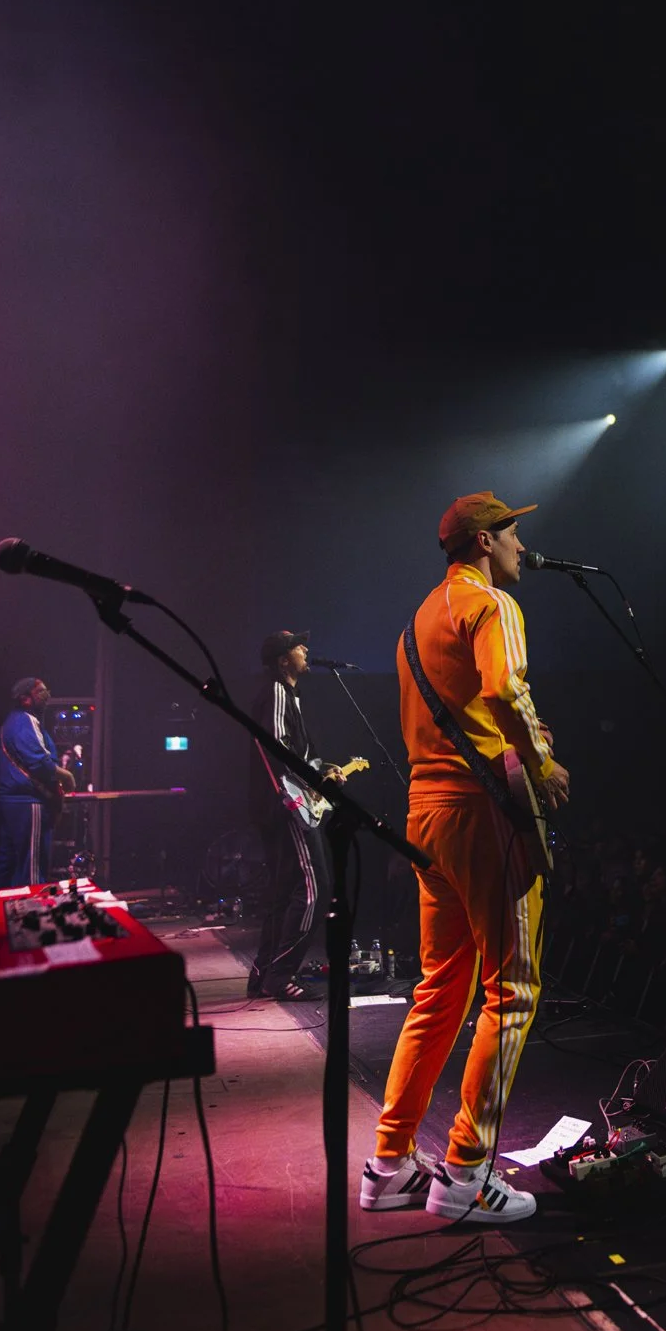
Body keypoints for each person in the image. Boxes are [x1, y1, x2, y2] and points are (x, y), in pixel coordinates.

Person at [363, 491, 569, 1224]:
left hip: (427, 814)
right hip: (484, 815)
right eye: (513, 533)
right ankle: (464, 1174)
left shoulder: (416, 621)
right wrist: (540, 763)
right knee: (511, 991)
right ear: (484, 542)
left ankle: (389, 1163)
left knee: (439, 988)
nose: (521, 546)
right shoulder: (492, 608)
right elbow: (504, 688)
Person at [247, 631, 344, 1000]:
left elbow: (293, 750)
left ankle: (262, 974)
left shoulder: (289, 695)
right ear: (282, 659)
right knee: (316, 889)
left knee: (282, 890)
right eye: (298, 646)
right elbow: (275, 747)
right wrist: (310, 782)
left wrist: (322, 772)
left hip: (285, 801)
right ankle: (281, 973)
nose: (306, 649)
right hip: (286, 804)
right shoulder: (275, 690)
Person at [0, 677, 76, 887]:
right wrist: (67, 777)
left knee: (9, 861)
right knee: (32, 866)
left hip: (11, 802)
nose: (46, 695)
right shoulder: (24, 720)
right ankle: (30, 916)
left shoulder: (9, 723)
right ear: (25, 699)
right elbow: (39, 762)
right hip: (28, 803)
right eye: (41, 692)